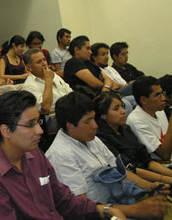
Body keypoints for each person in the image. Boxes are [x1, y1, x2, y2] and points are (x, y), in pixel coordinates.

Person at [0, 90, 126, 220]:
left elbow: (63, 200)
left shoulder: (35, 155)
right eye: (30, 125)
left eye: (38, 122)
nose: (40, 131)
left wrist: (104, 210)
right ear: (6, 130)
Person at [46, 91, 168, 219]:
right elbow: (81, 208)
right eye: (88, 121)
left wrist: (151, 187)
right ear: (70, 126)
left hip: (119, 201)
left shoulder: (91, 139)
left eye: (94, 118)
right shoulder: (60, 155)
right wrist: (136, 210)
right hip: (99, 214)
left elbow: (119, 171)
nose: (95, 126)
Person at [94, 91, 172, 184]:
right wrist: (164, 179)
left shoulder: (125, 128)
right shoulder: (101, 139)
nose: (123, 111)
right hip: (134, 181)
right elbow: (130, 169)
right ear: (103, 115)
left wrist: (170, 174)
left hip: (150, 174)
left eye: (122, 106)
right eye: (116, 109)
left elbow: (147, 160)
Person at [22, 48, 72, 132]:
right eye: (39, 62)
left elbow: (70, 92)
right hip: (51, 118)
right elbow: (45, 107)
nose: (44, 63)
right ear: (29, 68)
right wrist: (48, 81)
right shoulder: (29, 86)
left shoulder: (53, 75)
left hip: (69, 112)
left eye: (44, 60)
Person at [127, 76, 172, 161]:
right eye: (157, 95)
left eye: (162, 93)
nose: (163, 98)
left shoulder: (159, 110)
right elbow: (165, 156)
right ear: (143, 100)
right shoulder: (136, 121)